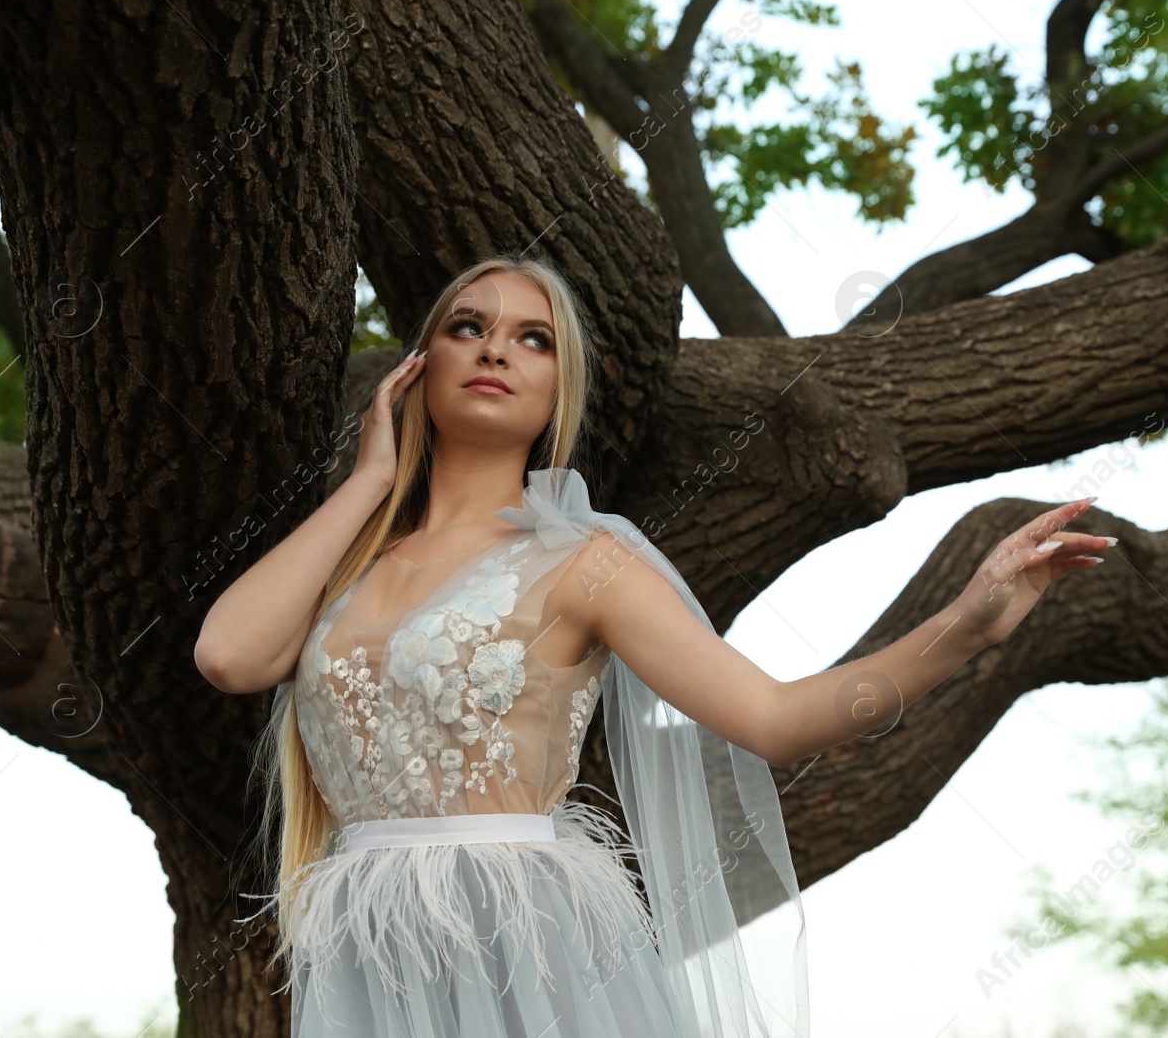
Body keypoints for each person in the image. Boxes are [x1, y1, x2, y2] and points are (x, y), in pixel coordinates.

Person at [193, 253, 1113, 1036]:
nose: (495, 350)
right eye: (468, 326)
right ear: (420, 365)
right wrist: (369, 480)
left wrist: (972, 623)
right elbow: (229, 655)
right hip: (366, 945)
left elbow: (774, 717)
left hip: (523, 939)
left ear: (560, 389)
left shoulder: (583, 564)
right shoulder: (350, 567)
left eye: (533, 338)